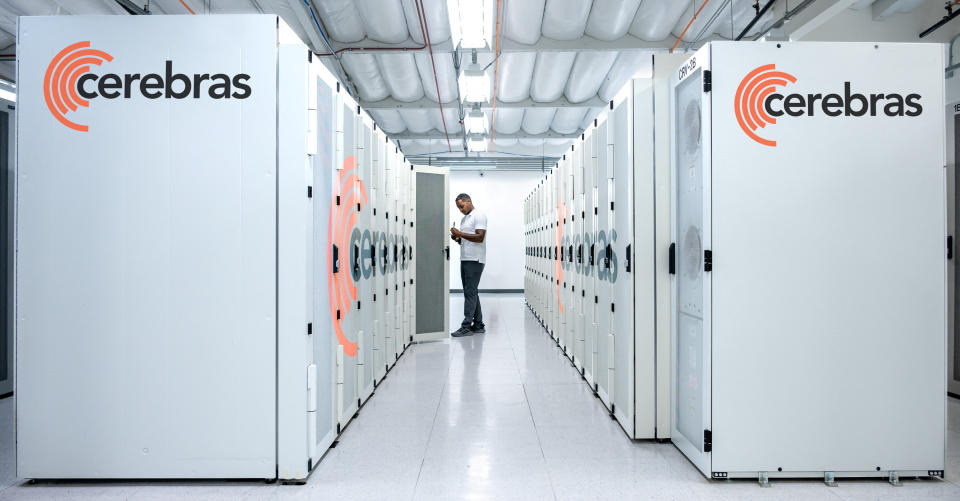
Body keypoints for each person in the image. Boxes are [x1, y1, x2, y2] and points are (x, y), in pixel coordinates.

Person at [450, 193, 487, 337]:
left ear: (468, 201)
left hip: (475, 260)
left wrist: (460, 233)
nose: (460, 209)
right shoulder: (464, 219)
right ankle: (478, 325)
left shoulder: (479, 215)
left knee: (469, 292)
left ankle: (466, 326)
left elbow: (480, 237)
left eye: (462, 206)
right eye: (458, 208)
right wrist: (457, 238)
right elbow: (465, 240)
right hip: (465, 258)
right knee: (471, 291)